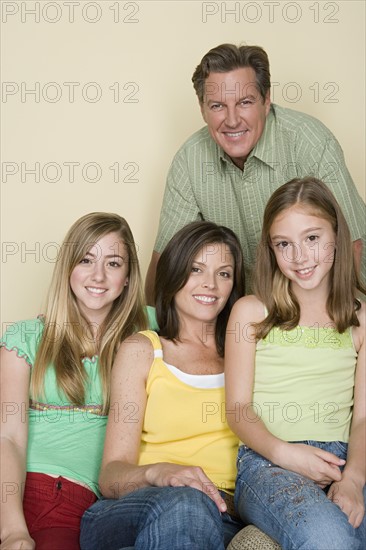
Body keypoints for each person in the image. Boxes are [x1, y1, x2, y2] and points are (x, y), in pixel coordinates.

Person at [145, 43, 365, 302]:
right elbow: (168, 262)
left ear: (266, 100)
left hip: (342, 301)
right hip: (254, 316)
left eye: (244, 102)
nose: (232, 120)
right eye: (217, 106)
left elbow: (352, 245)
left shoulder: (308, 141)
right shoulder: (189, 160)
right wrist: (154, 331)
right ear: (202, 107)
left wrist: (321, 331)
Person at [80, 221, 246, 550]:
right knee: (186, 503)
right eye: (196, 269)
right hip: (134, 505)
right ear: (172, 275)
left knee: (195, 510)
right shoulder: (143, 351)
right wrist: (161, 473)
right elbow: (111, 476)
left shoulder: (248, 355)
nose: (210, 284)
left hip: (222, 513)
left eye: (224, 273)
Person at [225, 177, 366, 549]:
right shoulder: (251, 312)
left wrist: (351, 478)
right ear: (270, 250)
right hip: (268, 462)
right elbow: (237, 409)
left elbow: (364, 418)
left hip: (344, 461)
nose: (300, 257)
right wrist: (285, 453)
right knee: (331, 539)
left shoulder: (360, 318)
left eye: (313, 238)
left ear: (337, 234)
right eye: (284, 244)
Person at [0, 212, 148, 550]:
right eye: (86, 260)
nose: (98, 275)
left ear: (127, 277)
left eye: (113, 263)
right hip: (31, 490)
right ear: (68, 269)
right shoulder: (25, 338)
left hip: (94, 503)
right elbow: (7, 438)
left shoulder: (150, 332)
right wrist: (13, 531)